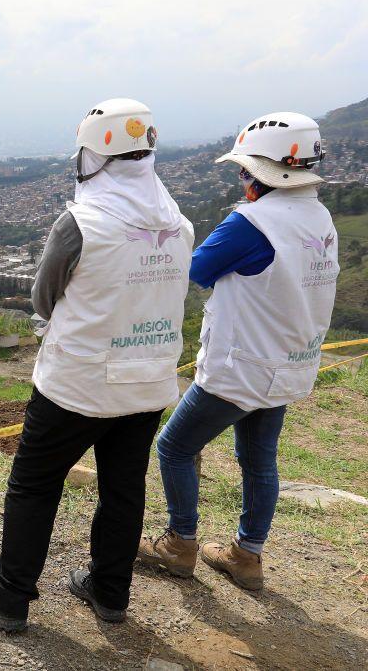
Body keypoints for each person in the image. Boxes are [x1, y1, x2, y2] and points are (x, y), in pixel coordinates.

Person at [0, 99, 194, 630]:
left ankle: (9, 597)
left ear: (95, 154)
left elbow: (43, 300)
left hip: (77, 384)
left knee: (35, 485)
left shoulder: (80, 222)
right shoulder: (179, 224)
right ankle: (110, 593)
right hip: (148, 382)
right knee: (124, 489)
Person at [138, 113, 338, 591]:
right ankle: (246, 556)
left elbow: (196, 270)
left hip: (242, 367)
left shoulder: (251, 223)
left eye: (245, 169)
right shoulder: (319, 216)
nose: (242, 178)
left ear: (262, 171)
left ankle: (180, 545)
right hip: (290, 361)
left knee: (175, 446)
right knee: (259, 460)